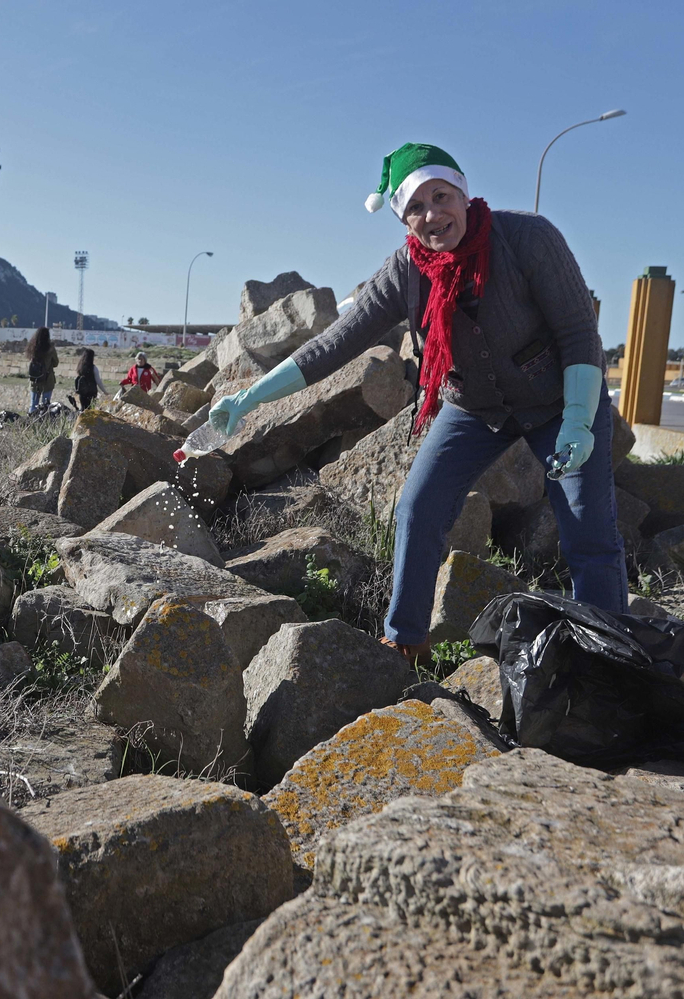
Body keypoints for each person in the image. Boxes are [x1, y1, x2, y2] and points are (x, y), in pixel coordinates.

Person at [210, 142, 622, 664]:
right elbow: (336, 343)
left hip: (562, 402)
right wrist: (249, 398)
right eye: (416, 208)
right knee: (417, 508)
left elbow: (579, 332)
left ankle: (612, 652)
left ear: (463, 194)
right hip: (473, 408)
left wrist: (581, 420)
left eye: (441, 196)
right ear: (405, 222)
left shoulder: (528, 238)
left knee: (588, 530)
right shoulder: (406, 270)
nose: (433, 214)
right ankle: (406, 640)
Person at [24, 327, 58, 414]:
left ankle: (31, 422)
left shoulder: (32, 347)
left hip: (34, 381)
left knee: (33, 404)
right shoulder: (50, 349)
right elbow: (55, 363)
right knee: (45, 405)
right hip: (47, 380)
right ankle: (42, 423)